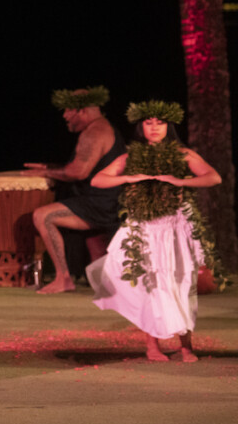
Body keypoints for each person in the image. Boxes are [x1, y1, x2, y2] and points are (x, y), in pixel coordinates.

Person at [85, 100, 222, 363]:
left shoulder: (183, 155)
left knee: (180, 282)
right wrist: (127, 178)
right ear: (141, 127)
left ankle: (186, 347)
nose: (155, 128)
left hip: (176, 227)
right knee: (150, 285)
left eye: (160, 123)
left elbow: (213, 177)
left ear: (169, 125)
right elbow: (98, 179)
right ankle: (152, 346)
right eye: (149, 123)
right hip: (144, 228)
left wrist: (181, 180)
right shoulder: (130, 157)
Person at [25, 86, 126, 294]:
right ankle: (105, 284)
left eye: (68, 110)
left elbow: (78, 172)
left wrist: (46, 174)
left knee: (43, 216)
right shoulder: (103, 128)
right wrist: (50, 168)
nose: (65, 116)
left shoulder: (94, 132)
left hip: (101, 204)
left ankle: (63, 278)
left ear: (82, 111)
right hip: (106, 201)